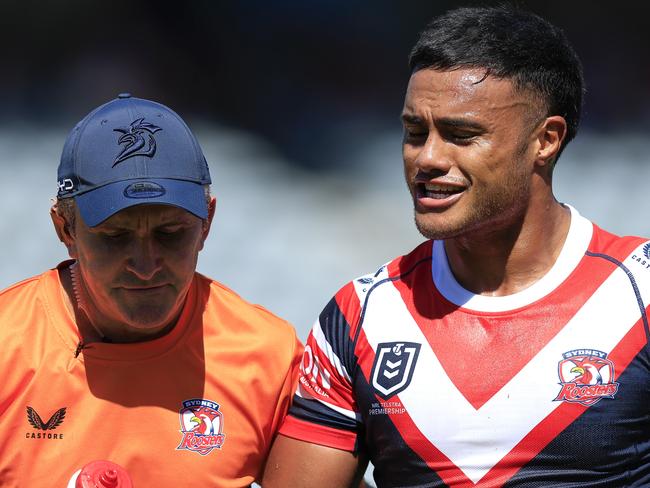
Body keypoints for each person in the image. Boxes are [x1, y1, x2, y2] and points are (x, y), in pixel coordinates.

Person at [262, 6, 650, 488]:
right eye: (414, 132)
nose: (427, 158)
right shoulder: (357, 316)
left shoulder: (640, 293)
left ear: (546, 140)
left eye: (462, 135)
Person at [0, 94, 303, 486]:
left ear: (206, 223)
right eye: (114, 237)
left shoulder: (268, 358)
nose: (145, 266)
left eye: (170, 234)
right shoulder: (7, 347)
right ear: (65, 230)